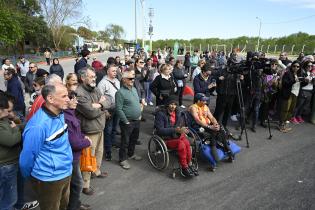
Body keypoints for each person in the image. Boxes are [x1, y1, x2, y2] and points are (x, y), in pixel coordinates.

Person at [19, 84, 73, 210]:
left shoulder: (60, 113)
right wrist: (35, 179)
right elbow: (26, 160)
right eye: (64, 96)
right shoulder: (38, 126)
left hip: (65, 172)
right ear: (50, 99)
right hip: (49, 179)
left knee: (63, 206)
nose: (68, 99)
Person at [75, 67, 111, 195]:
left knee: (99, 153)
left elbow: (109, 101)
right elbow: (90, 113)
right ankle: (85, 185)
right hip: (89, 131)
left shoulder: (95, 89)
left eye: (94, 76)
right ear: (83, 78)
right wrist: (100, 105)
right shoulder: (79, 93)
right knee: (87, 158)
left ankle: (96, 171)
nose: (94, 78)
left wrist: (99, 105)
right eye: (91, 76)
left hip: (100, 127)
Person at [154, 95, 197, 178]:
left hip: (176, 135)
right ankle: (184, 167)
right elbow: (160, 130)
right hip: (165, 138)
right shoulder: (160, 114)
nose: (173, 106)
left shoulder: (178, 113)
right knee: (181, 144)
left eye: (175, 104)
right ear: (167, 104)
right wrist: (176, 130)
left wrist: (183, 129)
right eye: (171, 104)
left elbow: (180, 125)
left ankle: (189, 164)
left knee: (187, 143)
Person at [189, 93, 234, 171]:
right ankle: (224, 151)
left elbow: (212, 117)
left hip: (208, 125)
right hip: (199, 127)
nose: (206, 102)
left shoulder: (205, 107)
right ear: (198, 101)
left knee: (220, 128)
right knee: (214, 132)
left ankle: (224, 148)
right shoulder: (193, 108)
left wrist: (216, 124)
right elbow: (197, 120)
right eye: (204, 100)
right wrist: (210, 127)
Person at [64, 90, 92, 210]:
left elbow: (76, 134)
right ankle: (73, 207)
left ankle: (76, 204)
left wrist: (82, 136)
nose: (76, 101)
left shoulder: (71, 113)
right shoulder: (66, 117)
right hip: (71, 157)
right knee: (77, 184)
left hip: (75, 156)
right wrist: (87, 142)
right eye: (72, 99)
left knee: (74, 184)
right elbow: (74, 143)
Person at [115, 69, 143, 170]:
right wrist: (125, 121)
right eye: (130, 78)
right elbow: (118, 109)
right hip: (127, 122)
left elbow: (137, 102)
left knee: (133, 139)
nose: (132, 80)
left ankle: (131, 154)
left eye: (133, 78)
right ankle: (122, 159)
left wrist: (139, 113)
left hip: (137, 120)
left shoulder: (134, 89)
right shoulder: (120, 93)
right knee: (125, 141)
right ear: (124, 80)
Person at [0, 92, 22, 210]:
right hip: (6, 166)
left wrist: (17, 127)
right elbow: (11, 140)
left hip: (9, 164)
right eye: (7, 110)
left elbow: (14, 126)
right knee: (8, 200)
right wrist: (16, 130)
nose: (10, 113)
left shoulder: (4, 120)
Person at [97, 65, 120, 161]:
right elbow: (99, 98)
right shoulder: (102, 83)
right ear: (108, 72)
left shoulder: (117, 81)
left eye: (116, 71)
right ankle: (108, 151)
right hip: (108, 110)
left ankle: (112, 143)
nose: (115, 72)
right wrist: (105, 111)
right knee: (108, 130)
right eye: (113, 71)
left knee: (114, 128)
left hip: (117, 108)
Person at [279, 61, 301, 132]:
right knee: (285, 109)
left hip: (295, 93)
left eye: (298, 67)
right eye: (294, 66)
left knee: (291, 110)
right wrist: (294, 81)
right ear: (291, 66)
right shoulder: (288, 73)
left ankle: (284, 124)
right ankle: (281, 126)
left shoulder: (298, 74)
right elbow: (285, 83)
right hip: (289, 93)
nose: (296, 68)